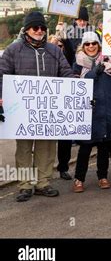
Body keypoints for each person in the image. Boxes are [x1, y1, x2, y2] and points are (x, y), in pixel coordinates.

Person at [0, 11, 74, 202]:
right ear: (27, 30)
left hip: (48, 110)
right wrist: (1, 96)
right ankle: (25, 185)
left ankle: (43, 183)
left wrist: (77, 92)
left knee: (46, 147)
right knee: (24, 148)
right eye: (35, 27)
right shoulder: (13, 50)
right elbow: (2, 75)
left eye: (42, 27)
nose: (40, 30)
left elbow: (66, 73)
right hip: (21, 110)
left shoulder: (54, 50)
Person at [72, 32, 111, 192]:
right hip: (88, 111)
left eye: (94, 43)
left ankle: (102, 177)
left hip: (106, 110)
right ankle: (79, 179)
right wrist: (94, 73)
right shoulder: (77, 64)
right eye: (87, 44)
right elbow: (74, 87)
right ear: (83, 46)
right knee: (85, 148)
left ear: (99, 45)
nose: (91, 46)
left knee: (103, 147)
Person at [49, 34, 74, 180]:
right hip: (48, 104)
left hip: (64, 103)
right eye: (52, 45)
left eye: (59, 46)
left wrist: (63, 37)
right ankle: (43, 172)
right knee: (47, 143)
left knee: (65, 139)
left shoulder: (67, 59)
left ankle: (63, 167)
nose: (56, 49)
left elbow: (70, 50)